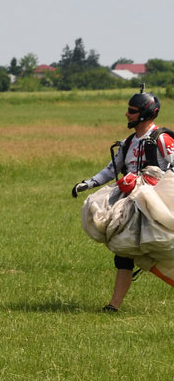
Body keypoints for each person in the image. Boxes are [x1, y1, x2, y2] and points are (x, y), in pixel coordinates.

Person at [72, 90, 174, 312]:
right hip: (131, 206)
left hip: (156, 206)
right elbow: (112, 169)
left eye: (132, 111)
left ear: (146, 114)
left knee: (163, 249)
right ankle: (113, 306)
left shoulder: (162, 139)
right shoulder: (129, 143)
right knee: (124, 252)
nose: (127, 114)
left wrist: (152, 180)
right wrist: (88, 184)